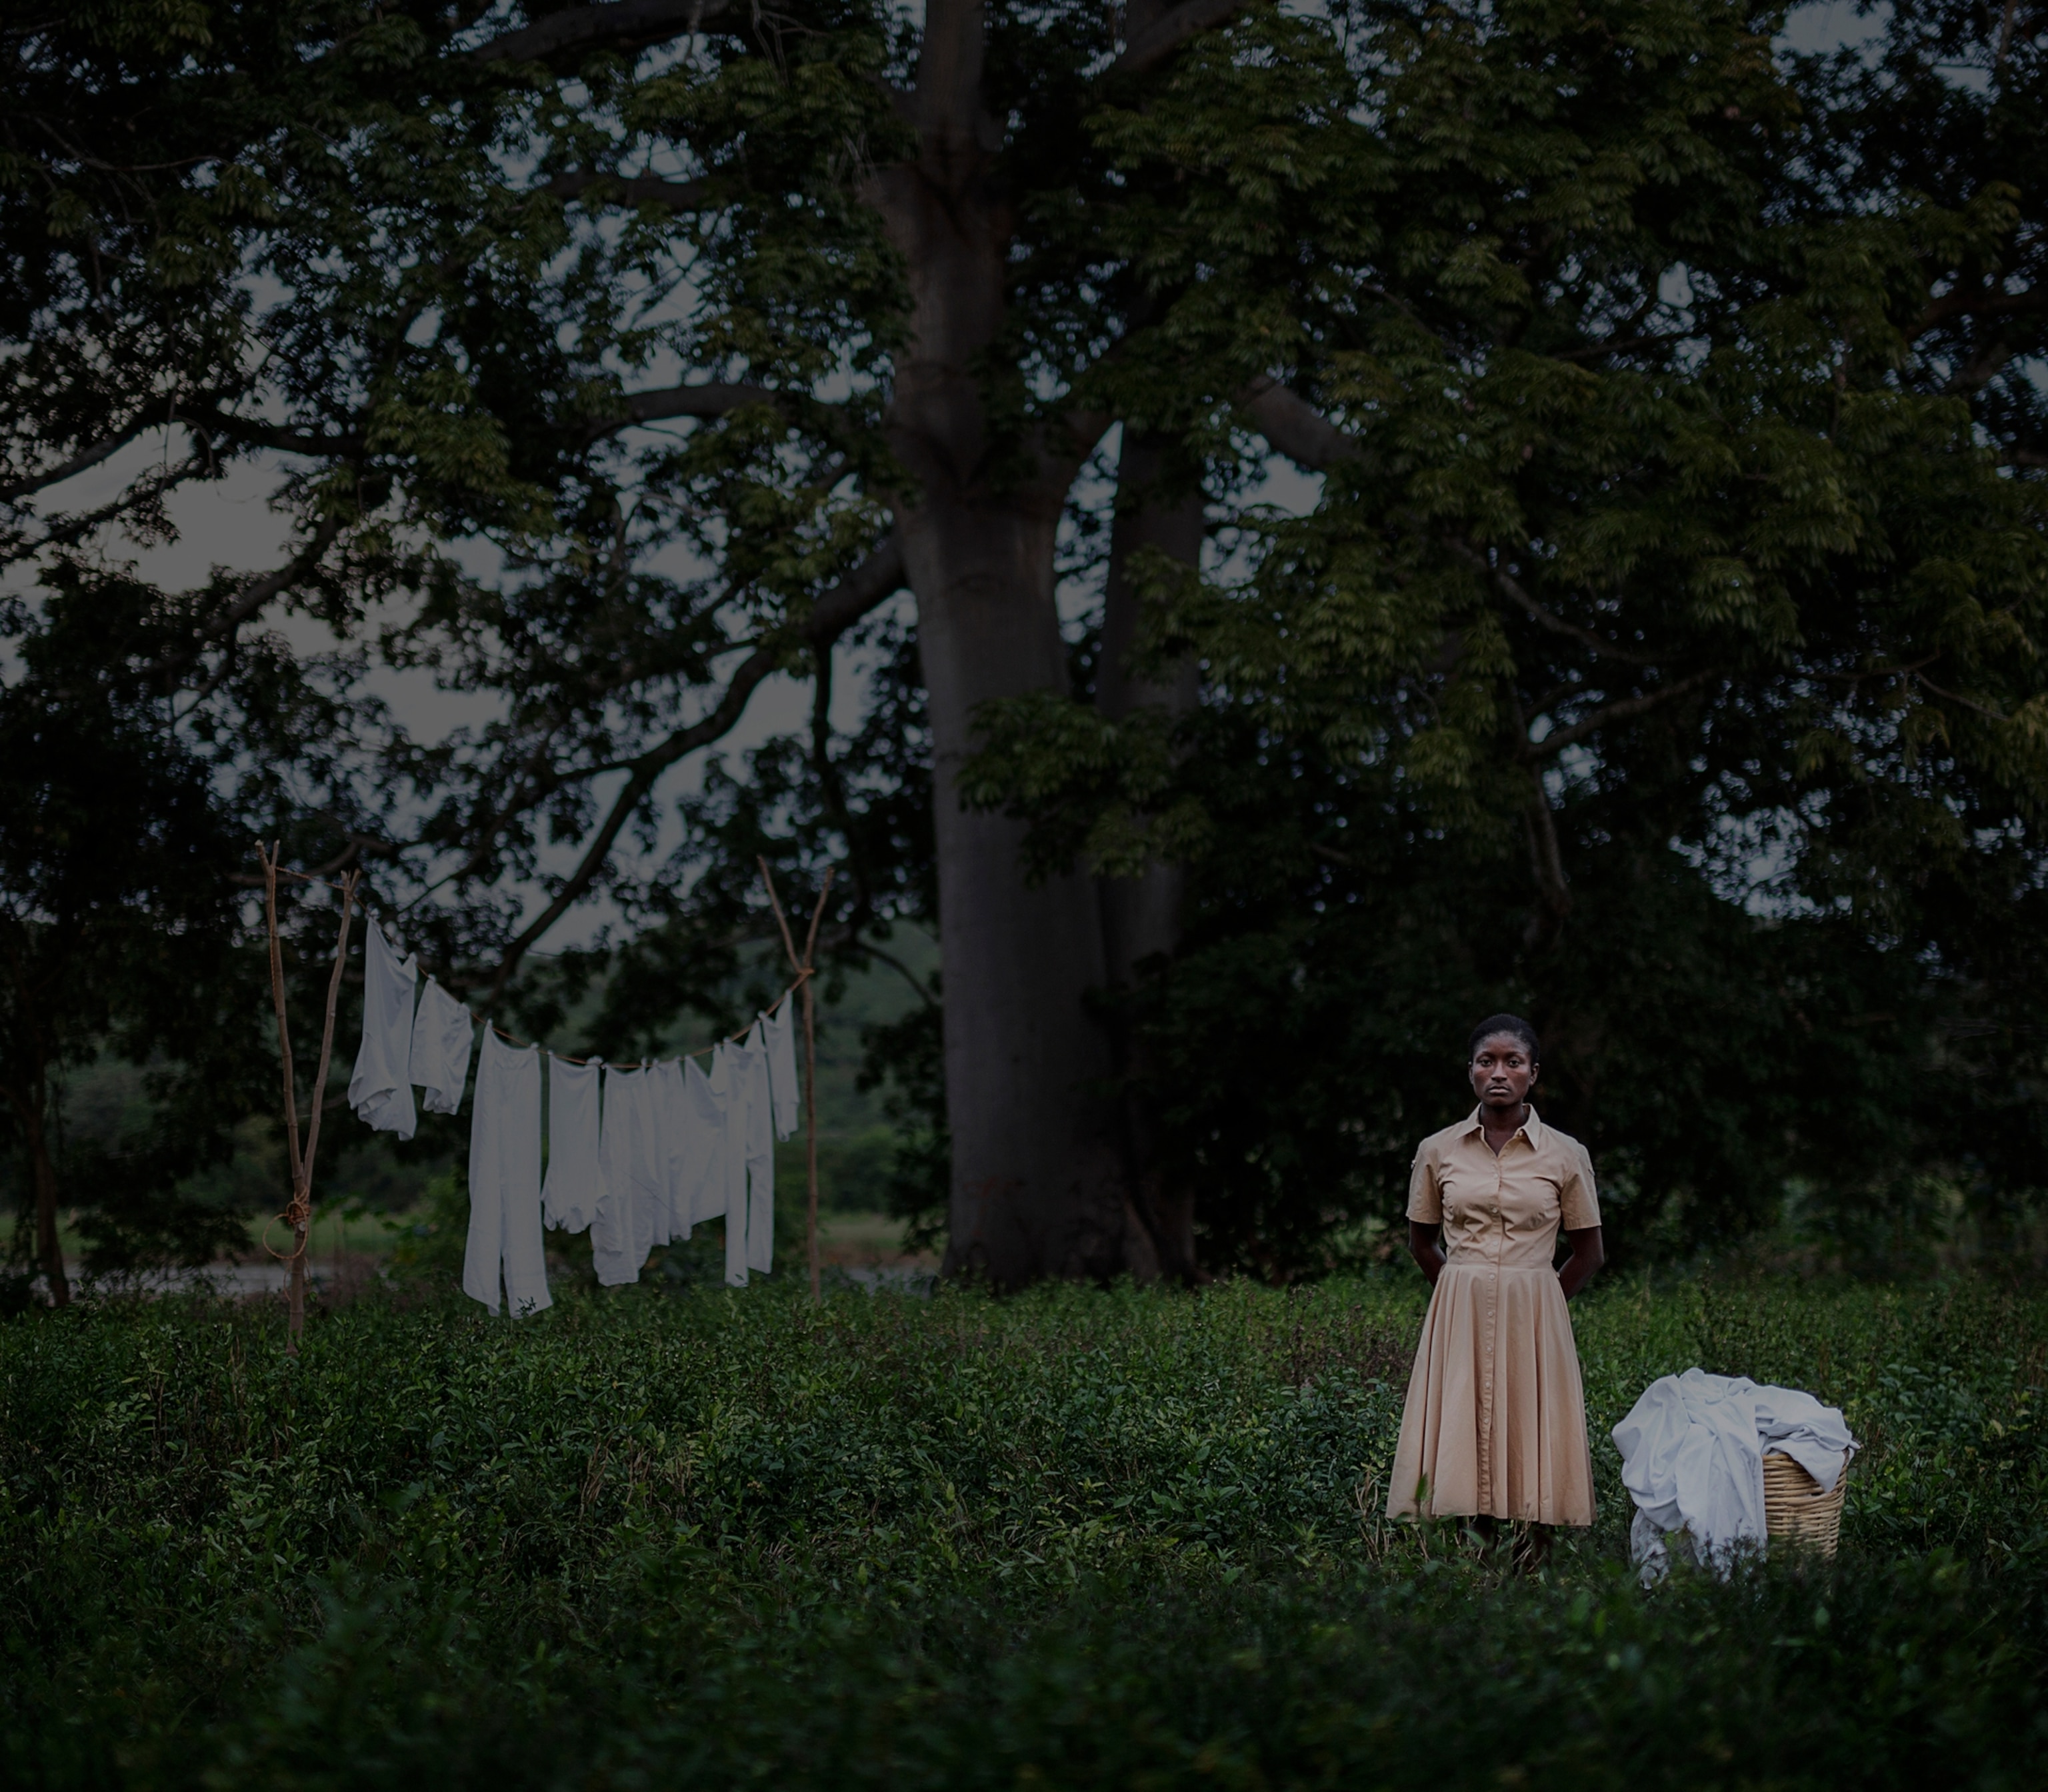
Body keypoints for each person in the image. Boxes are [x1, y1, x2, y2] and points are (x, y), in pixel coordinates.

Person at [1387, 1014, 1605, 1557]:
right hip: (1459, 1308)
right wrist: (1461, 1290)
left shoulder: (1565, 1154)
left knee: (1532, 1424)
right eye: (1487, 1061)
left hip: (1536, 1306)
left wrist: (1542, 1297)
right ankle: (1474, 1562)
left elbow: (1589, 1252)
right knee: (1468, 1422)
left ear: (1533, 1073)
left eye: (1514, 1062)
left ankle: (1537, 1561)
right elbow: (1421, 1241)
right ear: (1471, 1073)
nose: (1499, 1072)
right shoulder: (1439, 1150)